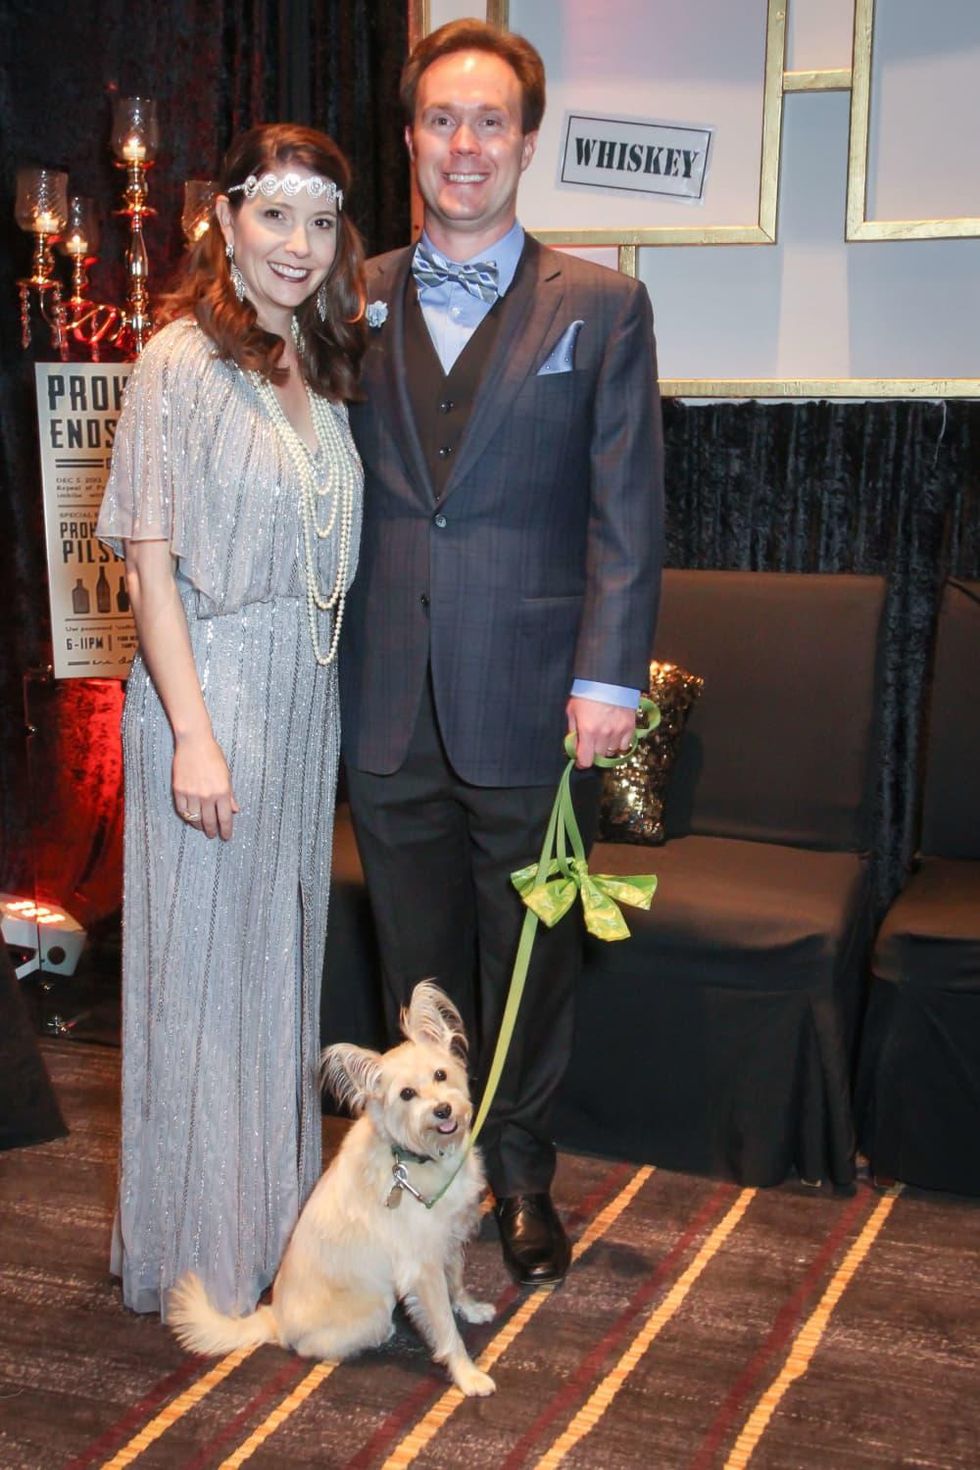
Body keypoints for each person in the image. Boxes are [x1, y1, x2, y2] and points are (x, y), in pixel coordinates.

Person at [342, 20, 663, 1287]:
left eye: (488, 122)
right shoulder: (346, 293)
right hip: (380, 699)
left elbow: (624, 510)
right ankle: (413, 1181)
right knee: (413, 961)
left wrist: (607, 676)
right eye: (439, 121)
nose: (462, 146)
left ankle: (519, 1177)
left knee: (526, 960)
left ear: (525, 141)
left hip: (532, 700)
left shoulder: (602, 305)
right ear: (409, 138)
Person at [96, 124, 365, 1318]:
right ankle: (192, 1250)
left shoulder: (317, 360)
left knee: (271, 977)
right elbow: (149, 565)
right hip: (209, 697)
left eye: (319, 222)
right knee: (200, 983)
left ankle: (262, 1237)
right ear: (226, 223)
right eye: (275, 217)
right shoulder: (176, 362)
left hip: (303, 706)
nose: (298, 245)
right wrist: (193, 733)